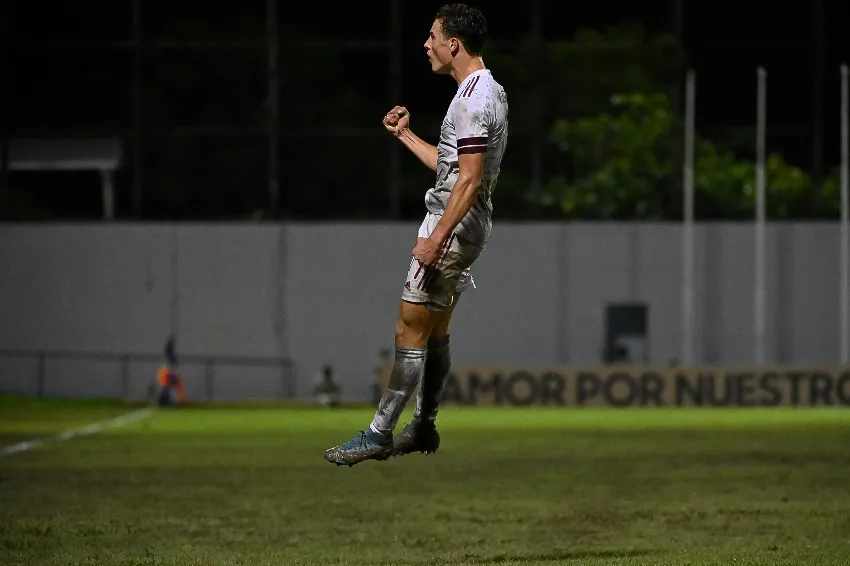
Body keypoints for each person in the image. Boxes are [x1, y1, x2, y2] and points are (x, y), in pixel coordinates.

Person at [324, 3, 509, 467]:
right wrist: (406, 135)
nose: (426, 44)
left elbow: (465, 180)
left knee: (410, 326)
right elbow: (455, 169)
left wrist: (436, 239)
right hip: (468, 223)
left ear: (454, 44)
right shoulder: (488, 90)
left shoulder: (470, 99)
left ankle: (380, 432)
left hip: (453, 224)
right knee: (437, 330)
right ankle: (424, 424)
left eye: (432, 36)